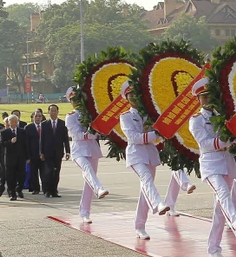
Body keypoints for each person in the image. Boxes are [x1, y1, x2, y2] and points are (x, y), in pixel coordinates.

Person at [187, 77, 236, 257]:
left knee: (219, 208)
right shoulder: (196, 120)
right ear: (198, 100)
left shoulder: (224, 115)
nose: (208, 100)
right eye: (204, 97)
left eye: (210, 96)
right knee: (223, 193)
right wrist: (226, 141)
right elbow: (205, 143)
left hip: (227, 163)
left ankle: (214, 248)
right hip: (211, 164)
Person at [119, 81, 170, 239]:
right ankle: (158, 203)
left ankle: (140, 225)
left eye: (136, 94)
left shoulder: (149, 114)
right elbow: (133, 138)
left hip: (150, 154)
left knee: (145, 190)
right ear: (126, 97)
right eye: (130, 95)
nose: (134, 97)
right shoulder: (125, 116)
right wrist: (155, 135)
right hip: (136, 154)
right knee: (146, 179)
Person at [63, 87, 109, 223]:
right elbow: (76, 134)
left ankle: (85, 212)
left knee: (88, 180)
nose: (76, 102)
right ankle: (99, 188)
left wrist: (94, 131)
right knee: (87, 170)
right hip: (79, 151)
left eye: (77, 99)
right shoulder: (70, 116)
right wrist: (90, 134)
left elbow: (98, 131)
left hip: (92, 149)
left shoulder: (90, 114)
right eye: (73, 100)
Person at [40, 104, 70, 198]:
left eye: (55, 111)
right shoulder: (44, 124)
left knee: (56, 173)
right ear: (48, 112)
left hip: (58, 152)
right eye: (51, 111)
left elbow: (66, 139)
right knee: (48, 172)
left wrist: (68, 151)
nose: (53, 112)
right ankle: (46, 190)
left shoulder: (62, 124)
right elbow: (41, 139)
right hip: (47, 153)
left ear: (57, 112)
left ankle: (54, 191)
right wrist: (41, 152)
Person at [0, 115, 27, 201]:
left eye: (15, 122)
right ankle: (12, 193)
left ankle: (19, 189)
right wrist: (10, 142)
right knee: (11, 177)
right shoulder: (4, 132)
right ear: (9, 122)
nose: (14, 123)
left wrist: (27, 157)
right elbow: (1, 143)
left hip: (21, 158)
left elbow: (25, 145)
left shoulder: (22, 131)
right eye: (12, 122)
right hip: (10, 158)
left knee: (22, 175)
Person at [24, 111, 44, 194]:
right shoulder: (28, 128)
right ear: (33, 117)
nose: (38, 118)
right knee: (34, 173)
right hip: (32, 155)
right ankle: (36, 188)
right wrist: (27, 156)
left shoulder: (45, 126)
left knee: (44, 173)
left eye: (39, 116)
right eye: (36, 116)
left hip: (43, 155)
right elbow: (26, 143)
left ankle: (45, 188)